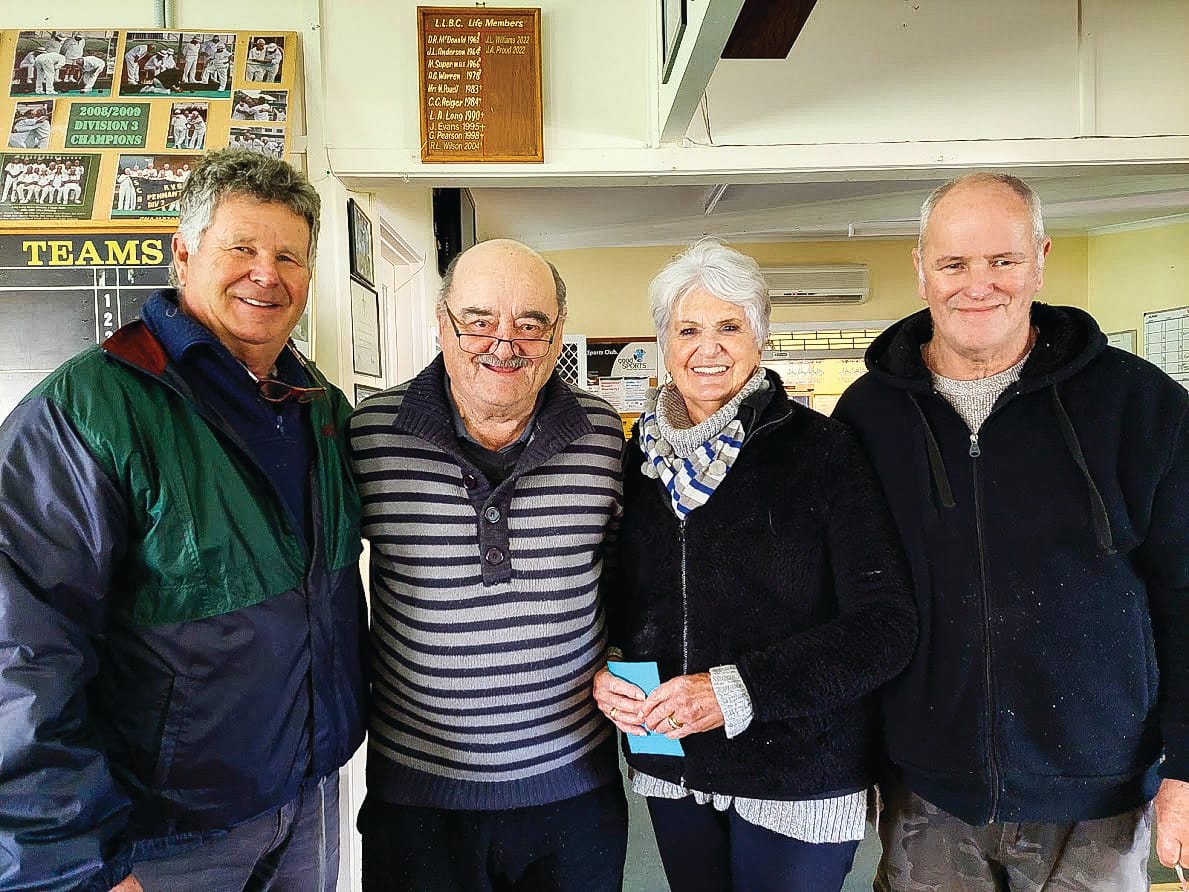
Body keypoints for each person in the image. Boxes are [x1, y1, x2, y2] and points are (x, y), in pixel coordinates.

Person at [0, 148, 367, 892]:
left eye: (289, 256)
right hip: (157, 836)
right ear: (184, 252)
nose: (267, 272)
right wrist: (71, 861)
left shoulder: (320, 408)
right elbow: (19, 651)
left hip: (310, 798)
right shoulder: (88, 412)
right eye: (242, 247)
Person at [833, 172, 1189, 891]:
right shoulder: (866, 416)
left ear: (1040, 257)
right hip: (926, 792)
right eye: (953, 263)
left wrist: (1185, 768)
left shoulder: (1138, 403)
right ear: (920, 268)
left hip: (1099, 792)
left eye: (1002, 260)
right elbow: (849, 606)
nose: (978, 285)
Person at [591, 239, 916, 892]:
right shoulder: (636, 462)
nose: (706, 349)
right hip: (671, 765)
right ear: (663, 342)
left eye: (729, 327)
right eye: (687, 329)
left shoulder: (823, 452)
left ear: (760, 338)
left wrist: (737, 690)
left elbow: (885, 627)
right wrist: (603, 671)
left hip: (797, 771)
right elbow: (621, 607)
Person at [348, 239, 629, 892]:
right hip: (418, 796)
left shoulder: (599, 434)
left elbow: (620, 578)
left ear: (557, 334)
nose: (503, 344)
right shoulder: (368, 433)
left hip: (573, 788)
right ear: (442, 323)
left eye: (530, 324)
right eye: (477, 320)